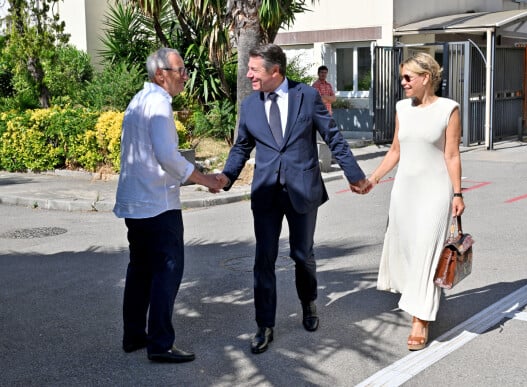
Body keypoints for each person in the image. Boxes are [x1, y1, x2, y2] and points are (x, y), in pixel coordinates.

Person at [215, 44, 369, 354]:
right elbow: (241, 147)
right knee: (264, 259)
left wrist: (354, 174)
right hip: (266, 193)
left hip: (302, 188)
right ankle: (264, 325)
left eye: (254, 70)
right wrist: (226, 177)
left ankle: (309, 304)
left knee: (302, 254)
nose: (248, 74)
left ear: (275, 71)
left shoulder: (307, 96)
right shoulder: (250, 105)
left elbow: (333, 137)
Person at [113, 47, 222, 363]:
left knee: (140, 270)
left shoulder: (138, 101)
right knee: (166, 271)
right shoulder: (158, 105)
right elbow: (167, 156)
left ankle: (134, 336)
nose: (185, 75)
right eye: (180, 70)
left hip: (135, 204)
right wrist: (206, 180)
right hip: (158, 204)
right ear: (160, 74)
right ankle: (160, 343)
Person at [364, 52, 465, 351]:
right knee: (409, 249)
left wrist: (458, 193)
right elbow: (395, 150)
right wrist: (373, 179)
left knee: (426, 251)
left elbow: (452, 154)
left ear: (426, 78)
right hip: (404, 192)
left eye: (408, 77)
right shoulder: (401, 108)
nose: (403, 83)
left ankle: (420, 320)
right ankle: (418, 299)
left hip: (435, 191)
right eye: (402, 78)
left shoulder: (449, 109)